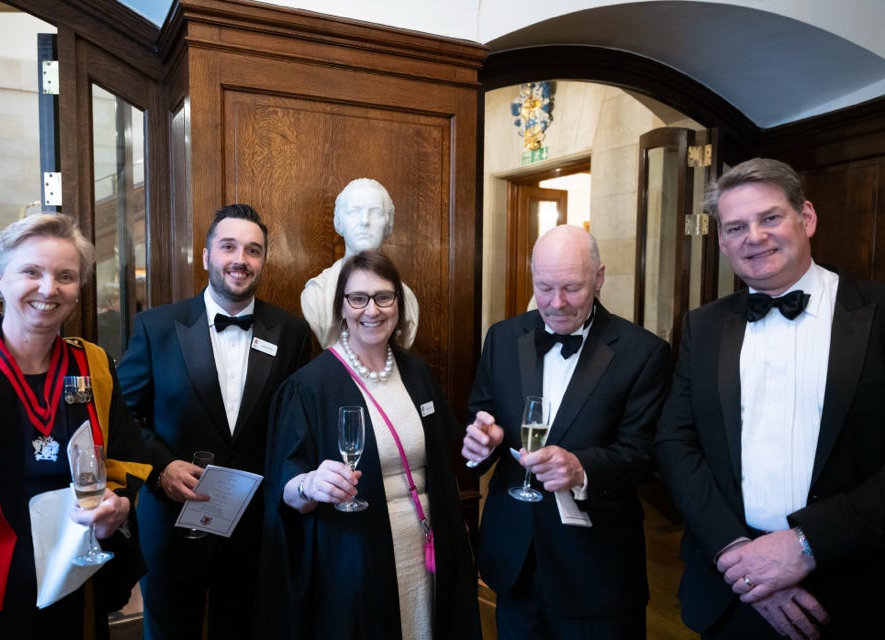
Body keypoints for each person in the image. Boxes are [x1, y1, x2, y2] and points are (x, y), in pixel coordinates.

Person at [654, 157, 885, 639]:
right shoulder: (703, 325)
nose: (753, 237)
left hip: (855, 586)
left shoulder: (878, 314)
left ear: (807, 217)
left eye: (770, 217)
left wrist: (806, 544)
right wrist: (734, 552)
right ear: (722, 243)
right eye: (736, 227)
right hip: (729, 586)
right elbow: (675, 442)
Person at [0, 213, 152, 639]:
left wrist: (117, 507)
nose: (49, 289)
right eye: (31, 272)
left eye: (65, 276)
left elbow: (123, 463)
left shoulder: (95, 365)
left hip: (72, 587)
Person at [462, 224, 672, 640]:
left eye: (572, 288)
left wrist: (581, 469)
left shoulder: (643, 353)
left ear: (599, 278)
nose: (556, 303)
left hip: (595, 570)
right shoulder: (502, 338)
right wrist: (483, 443)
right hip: (515, 559)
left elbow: (645, 454)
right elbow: (481, 417)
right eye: (544, 288)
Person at [261, 250, 481, 639]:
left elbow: (449, 455)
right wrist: (310, 484)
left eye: (384, 297)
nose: (372, 310)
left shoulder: (417, 372)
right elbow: (285, 490)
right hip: (356, 560)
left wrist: (483, 440)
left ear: (398, 303)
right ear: (341, 308)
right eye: (358, 298)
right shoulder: (309, 387)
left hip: (427, 546)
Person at [116, 203, 312, 639]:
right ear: (206, 256)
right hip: (172, 525)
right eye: (228, 246)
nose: (241, 259)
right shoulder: (156, 327)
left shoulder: (292, 333)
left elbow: (296, 427)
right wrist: (162, 468)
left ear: (263, 260)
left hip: (254, 530)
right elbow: (122, 417)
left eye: (253, 250)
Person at [300, 178, 420, 348]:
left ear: (388, 224)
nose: (365, 221)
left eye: (375, 212)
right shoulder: (316, 295)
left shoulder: (407, 299)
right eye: (354, 211)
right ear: (339, 222)